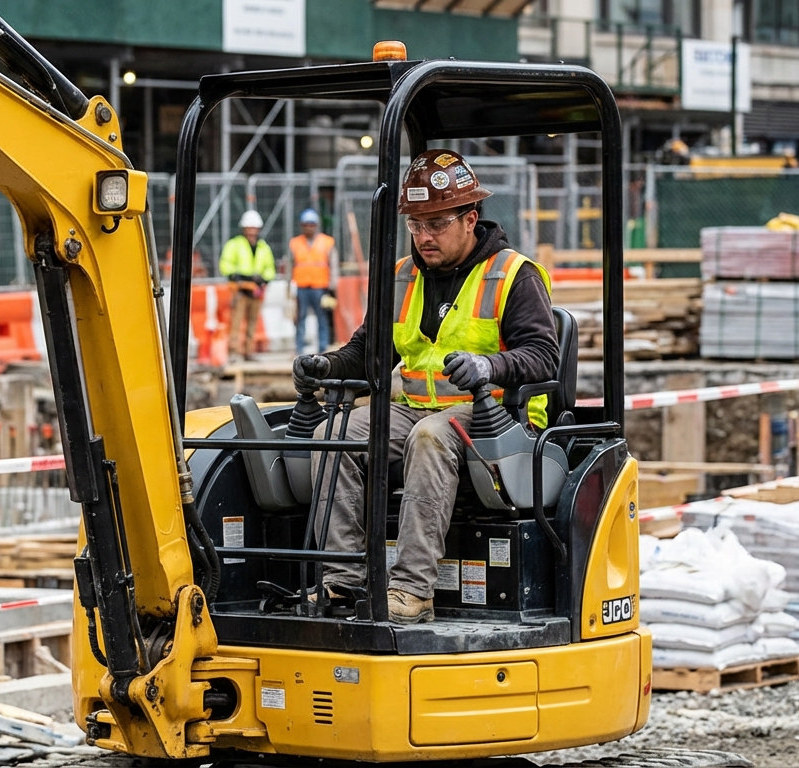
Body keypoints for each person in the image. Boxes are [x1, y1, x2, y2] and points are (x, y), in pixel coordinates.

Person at [292, 150, 559, 624]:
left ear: (470, 218)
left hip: (499, 421)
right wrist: (325, 364)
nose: (424, 236)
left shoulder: (513, 275)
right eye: (415, 225)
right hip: (416, 409)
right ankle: (341, 580)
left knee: (431, 437)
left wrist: (488, 366)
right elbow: (371, 353)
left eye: (436, 223)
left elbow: (542, 356)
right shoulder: (402, 277)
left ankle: (412, 591)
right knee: (335, 434)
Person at [219, 210, 276, 362]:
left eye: (254, 228)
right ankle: (233, 352)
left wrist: (264, 279)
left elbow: (270, 267)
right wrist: (235, 275)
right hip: (240, 289)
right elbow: (225, 263)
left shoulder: (263, 247)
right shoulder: (235, 244)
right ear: (244, 229)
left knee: (252, 322)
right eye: (249, 228)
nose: (252, 231)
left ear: (258, 229)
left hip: (255, 290)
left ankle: (248, 352)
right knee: (236, 322)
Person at [289, 208, 336, 354]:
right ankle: (299, 348)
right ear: (302, 226)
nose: (309, 227)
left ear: (316, 225)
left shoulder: (327, 242)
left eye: (312, 224)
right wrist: (289, 287)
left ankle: (323, 347)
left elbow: (333, 264)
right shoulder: (295, 243)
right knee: (300, 318)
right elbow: (290, 264)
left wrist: (332, 286)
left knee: (322, 318)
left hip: (320, 286)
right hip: (301, 286)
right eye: (306, 224)